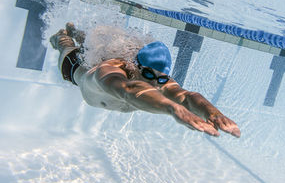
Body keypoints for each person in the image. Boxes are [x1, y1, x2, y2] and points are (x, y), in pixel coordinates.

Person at [50, 23, 241, 138]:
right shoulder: (108, 71)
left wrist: (213, 112)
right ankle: (66, 35)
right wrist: (172, 108)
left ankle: (79, 33)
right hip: (75, 67)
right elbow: (128, 89)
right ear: (135, 66)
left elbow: (187, 96)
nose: (155, 83)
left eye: (160, 77)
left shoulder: (157, 78)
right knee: (67, 45)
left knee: (91, 47)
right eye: (149, 75)